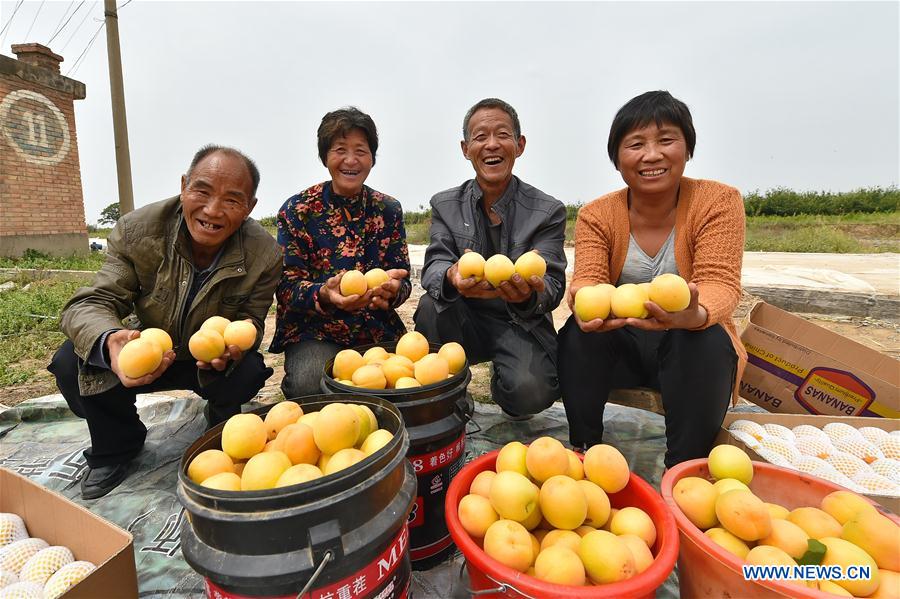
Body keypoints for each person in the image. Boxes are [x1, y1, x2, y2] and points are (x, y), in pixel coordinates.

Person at [48, 145, 282, 499]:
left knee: (248, 370)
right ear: (185, 185)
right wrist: (110, 342)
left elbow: (251, 319)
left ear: (249, 207)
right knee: (73, 361)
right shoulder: (138, 231)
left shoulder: (265, 253)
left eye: (232, 200)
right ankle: (117, 445)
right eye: (202, 191)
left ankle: (220, 419)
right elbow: (93, 301)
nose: (212, 210)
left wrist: (233, 349)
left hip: (206, 362)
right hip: (150, 350)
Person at [558, 90, 747, 466]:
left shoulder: (718, 201)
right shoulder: (597, 214)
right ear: (617, 158)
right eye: (636, 144)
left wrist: (695, 315)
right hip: (625, 346)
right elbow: (589, 279)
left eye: (666, 140)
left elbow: (721, 283)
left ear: (687, 147)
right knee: (578, 336)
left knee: (705, 340)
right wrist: (579, 298)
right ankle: (583, 452)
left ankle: (685, 468)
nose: (652, 155)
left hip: (686, 350)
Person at [414, 98, 567, 420]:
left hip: (518, 320)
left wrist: (529, 294)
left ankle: (504, 378)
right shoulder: (445, 204)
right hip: (463, 316)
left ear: (519, 144)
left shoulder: (547, 210)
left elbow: (553, 284)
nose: (492, 144)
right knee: (431, 305)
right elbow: (434, 265)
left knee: (530, 393)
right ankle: (449, 391)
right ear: (466, 148)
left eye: (502, 134)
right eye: (481, 137)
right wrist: (452, 276)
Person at [271, 107, 411, 398]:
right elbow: (286, 287)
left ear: (372, 157)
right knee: (310, 386)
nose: (351, 160)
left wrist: (393, 290)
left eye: (361, 150)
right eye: (340, 150)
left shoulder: (388, 209)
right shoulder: (298, 210)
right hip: (316, 330)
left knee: (404, 383)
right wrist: (323, 294)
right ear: (325, 157)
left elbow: (403, 278)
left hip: (374, 327)